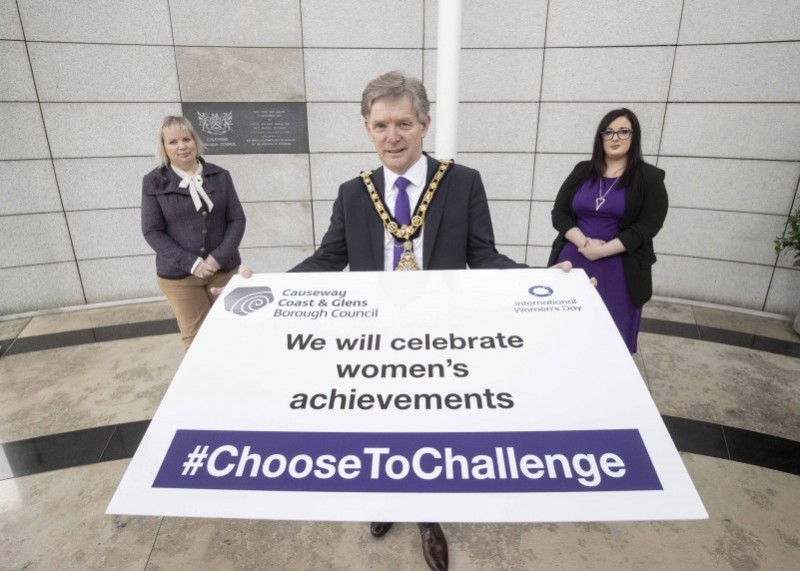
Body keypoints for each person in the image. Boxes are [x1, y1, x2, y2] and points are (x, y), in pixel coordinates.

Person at [291, 71, 570, 571]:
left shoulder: (461, 183)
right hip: (373, 337)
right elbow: (327, 260)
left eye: (402, 123)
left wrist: (545, 279)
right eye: (380, 125)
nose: (391, 136)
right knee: (378, 419)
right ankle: (387, 493)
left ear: (425, 124)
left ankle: (427, 515)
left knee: (427, 425)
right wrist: (262, 287)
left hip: (439, 334)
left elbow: (484, 258)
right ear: (366, 129)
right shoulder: (353, 193)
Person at [548, 108, 668, 353]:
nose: (615, 138)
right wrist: (584, 244)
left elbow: (648, 227)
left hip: (620, 269)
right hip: (572, 264)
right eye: (609, 132)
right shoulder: (582, 171)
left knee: (609, 344)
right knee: (563, 338)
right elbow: (559, 214)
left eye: (623, 131)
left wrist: (603, 252)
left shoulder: (649, 178)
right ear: (600, 138)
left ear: (634, 137)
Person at [141, 115, 247, 351]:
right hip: (180, 277)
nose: (181, 146)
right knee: (198, 341)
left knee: (233, 331)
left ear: (195, 141)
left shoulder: (220, 176)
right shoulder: (154, 182)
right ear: (164, 147)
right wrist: (192, 263)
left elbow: (237, 219)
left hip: (223, 269)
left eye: (186, 139)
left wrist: (216, 258)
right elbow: (152, 231)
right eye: (173, 142)